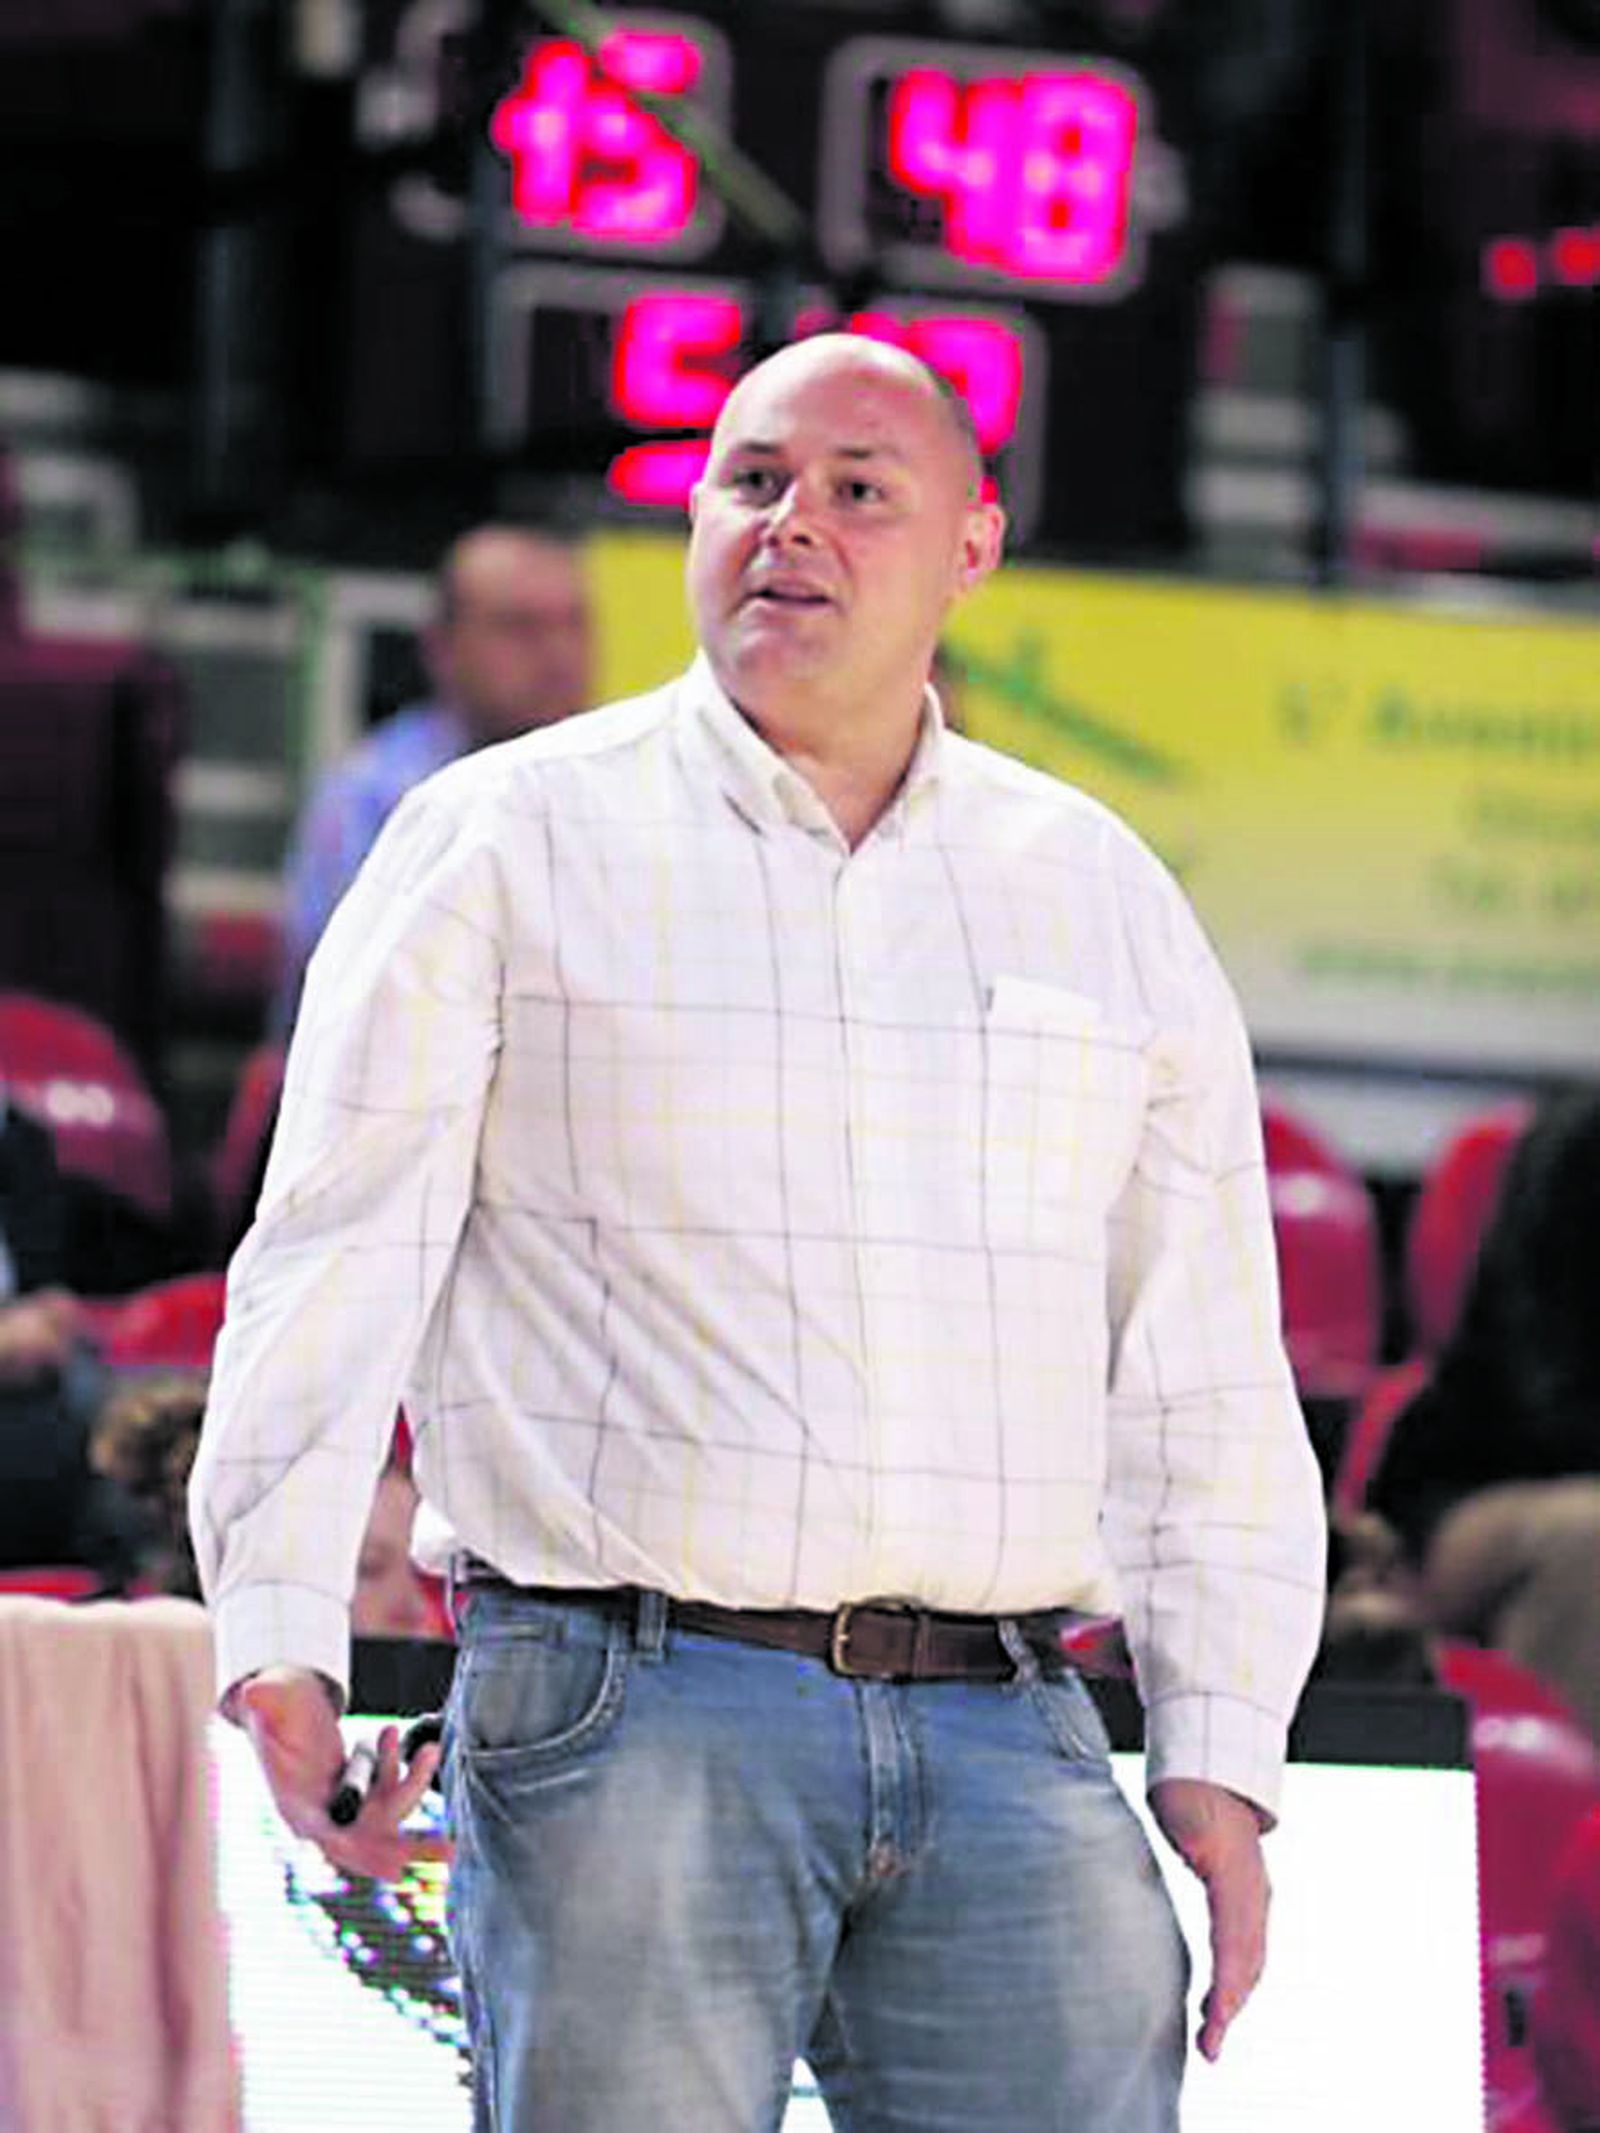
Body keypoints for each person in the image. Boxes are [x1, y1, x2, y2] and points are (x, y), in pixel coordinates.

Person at [190, 334, 1326, 2132]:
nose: (791, 525)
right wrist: (276, 1617)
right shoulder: (500, 836)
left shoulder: (1096, 887)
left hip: (1011, 1718)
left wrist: (1220, 1753)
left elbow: (1196, 1362)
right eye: (751, 481)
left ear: (972, 543)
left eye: (861, 488)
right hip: (630, 1698)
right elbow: (334, 1248)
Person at [270, 523, 594, 1034]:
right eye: (520, 627)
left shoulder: (624, 792)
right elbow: (348, 1005)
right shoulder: (374, 795)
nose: (557, 655)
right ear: (441, 647)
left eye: (574, 624)